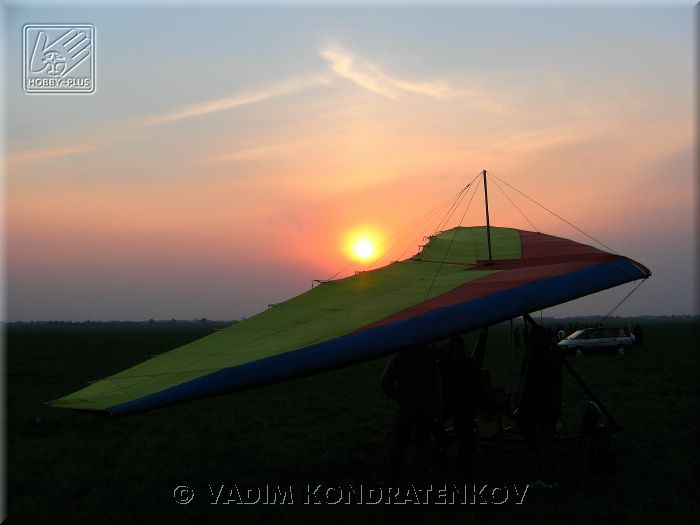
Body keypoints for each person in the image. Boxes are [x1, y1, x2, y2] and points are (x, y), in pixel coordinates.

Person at [513, 313, 562, 489]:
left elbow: (534, 385)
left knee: (544, 444)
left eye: (532, 336)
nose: (529, 339)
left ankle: (550, 478)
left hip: (543, 408)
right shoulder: (549, 352)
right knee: (543, 444)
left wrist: (525, 407)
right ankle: (546, 476)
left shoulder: (541, 355)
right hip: (547, 407)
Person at [381, 345, 443, 485]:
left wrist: (397, 397)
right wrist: (439, 412)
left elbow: (385, 382)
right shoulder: (428, 358)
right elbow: (436, 387)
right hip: (425, 410)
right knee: (422, 447)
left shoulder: (399, 356)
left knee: (399, 446)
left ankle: (391, 481)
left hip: (407, 409)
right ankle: (419, 482)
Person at [442, 329, 488, 479]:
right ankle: (464, 466)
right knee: (464, 437)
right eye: (457, 348)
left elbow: (477, 357)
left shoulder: (466, 363)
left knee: (465, 438)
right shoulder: (448, 364)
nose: (460, 351)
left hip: (465, 407)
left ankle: (465, 468)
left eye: (461, 348)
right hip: (457, 407)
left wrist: (483, 336)